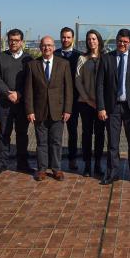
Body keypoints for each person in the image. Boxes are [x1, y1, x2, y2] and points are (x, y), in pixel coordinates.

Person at [96, 28, 130, 185]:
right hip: (112, 107)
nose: (122, 44)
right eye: (119, 41)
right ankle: (112, 174)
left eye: (125, 42)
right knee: (112, 143)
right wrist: (101, 107)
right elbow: (100, 85)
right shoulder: (106, 58)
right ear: (116, 40)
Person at [24, 36, 73, 181]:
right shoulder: (32, 65)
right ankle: (42, 169)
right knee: (41, 142)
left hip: (58, 111)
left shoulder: (63, 64)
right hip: (39, 111)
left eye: (50, 45)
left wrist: (68, 109)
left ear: (54, 46)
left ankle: (57, 169)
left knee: (56, 142)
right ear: (40, 47)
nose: (47, 48)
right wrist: (29, 110)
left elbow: (68, 90)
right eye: (44, 45)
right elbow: (29, 91)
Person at [0, 29, 34, 175]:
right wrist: (8, 93)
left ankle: (22, 163)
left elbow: (31, 79)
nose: (13, 43)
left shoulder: (28, 59)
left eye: (16, 40)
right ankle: (2, 163)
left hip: (22, 104)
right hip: (4, 103)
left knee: (22, 134)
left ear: (21, 42)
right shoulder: (1, 57)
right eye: (11, 40)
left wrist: (19, 93)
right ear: (8, 41)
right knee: (4, 133)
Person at [75, 29, 106, 178]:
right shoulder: (82, 58)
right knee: (87, 134)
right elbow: (78, 80)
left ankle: (98, 164)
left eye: (94, 38)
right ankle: (87, 165)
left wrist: (100, 103)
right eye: (89, 39)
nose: (91, 41)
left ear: (99, 40)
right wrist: (87, 99)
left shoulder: (106, 58)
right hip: (85, 104)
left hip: (101, 106)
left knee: (100, 135)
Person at [55, 27, 83, 171]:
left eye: (68, 37)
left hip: (74, 100)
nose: (65, 39)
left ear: (72, 38)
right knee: (56, 133)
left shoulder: (80, 56)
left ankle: (72, 159)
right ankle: (54, 161)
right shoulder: (54, 54)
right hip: (56, 100)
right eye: (63, 37)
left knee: (73, 132)